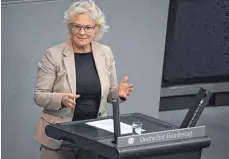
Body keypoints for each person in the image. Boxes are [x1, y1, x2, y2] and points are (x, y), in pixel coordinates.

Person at [33, 0, 134, 158]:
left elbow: (109, 95)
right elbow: (39, 96)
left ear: (96, 29)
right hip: (60, 136)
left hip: (93, 136)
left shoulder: (105, 53)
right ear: (70, 27)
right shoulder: (53, 55)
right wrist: (61, 99)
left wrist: (119, 93)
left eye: (88, 27)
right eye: (76, 26)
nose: (82, 32)